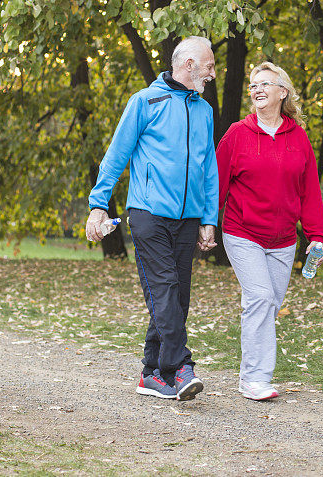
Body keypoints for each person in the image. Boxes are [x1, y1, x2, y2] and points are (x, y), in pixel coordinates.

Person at [85, 36, 219, 401]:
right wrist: (99, 203)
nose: (213, 73)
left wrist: (209, 217)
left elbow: (209, 168)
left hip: (188, 218)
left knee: (179, 298)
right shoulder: (145, 101)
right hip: (147, 214)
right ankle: (181, 366)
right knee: (165, 290)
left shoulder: (204, 111)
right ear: (188, 64)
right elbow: (116, 155)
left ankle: (151, 372)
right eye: (208, 65)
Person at [216, 61, 323, 401]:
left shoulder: (299, 138)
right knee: (261, 298)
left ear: (283, 92)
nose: (257, 89)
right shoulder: (237, 133)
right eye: (253, 85)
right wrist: (206, 224)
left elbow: (309, 190)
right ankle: (254, 378)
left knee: (269, 302)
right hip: (241, 231)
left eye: (265, 83)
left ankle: (255, 373)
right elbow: (216, 184)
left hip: (282, 239)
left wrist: (317, 236)